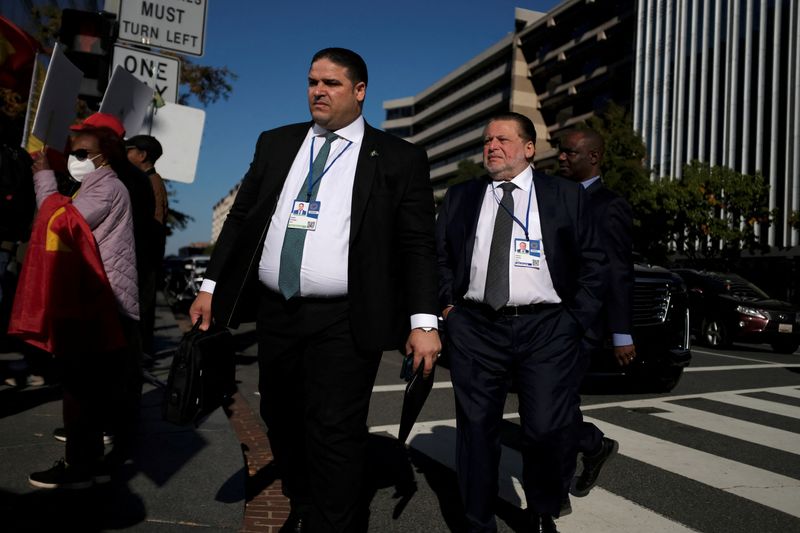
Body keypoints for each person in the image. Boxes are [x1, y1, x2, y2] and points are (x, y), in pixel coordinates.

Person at [190, 48, 440, 533]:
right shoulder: (277, 143)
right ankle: (303, 501)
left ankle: (333, 523)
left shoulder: (398, 157)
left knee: (335, 429)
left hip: (346, 318)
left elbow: (417, 244)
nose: (318, 91)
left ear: (360, 91)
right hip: (277, 311)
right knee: (279, 415)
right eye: (312, 82)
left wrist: (424, 321)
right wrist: (210, 286)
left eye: (331, 83)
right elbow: (240, 220)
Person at [436, 112, 607, 533]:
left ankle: (543, 510)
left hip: (548, 328)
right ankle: (477, 522)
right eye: (487, 140)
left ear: (529, 148)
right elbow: (438, 258)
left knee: (547, 429)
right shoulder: (461, 196)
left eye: (503, 140)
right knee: (476, 433)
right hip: (475, 326)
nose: (492, 147)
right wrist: (449, 311)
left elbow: (596, 262)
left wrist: (574, 320)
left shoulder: (565, 195)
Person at [17, 112, 140, 489]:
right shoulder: (98, 187)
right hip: (101, 300)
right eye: (74, 150)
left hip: (100, 302)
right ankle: (92, 464)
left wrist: (42, 175)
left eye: (83, 152)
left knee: (80, 390)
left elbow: (59, 223)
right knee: (90, 388)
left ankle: (79, 469)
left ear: (105, 154)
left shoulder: (105, 189)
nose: (75, 158)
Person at [558, 128, 632, 497]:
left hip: (581, 324)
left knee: (556, 404)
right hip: (543, 320)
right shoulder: (552, 195)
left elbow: (617, 270)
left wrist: (621, 332)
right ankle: (592, 444)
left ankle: (551, 496)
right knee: (543, 402)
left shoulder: (609, 205)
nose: (561, 158)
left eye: (569, 152)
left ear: (593, 157)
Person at [125, 134, 169, 358]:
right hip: (141, 255)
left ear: (142, 156)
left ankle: (143, 352)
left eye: (129, 150)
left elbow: (155, 223)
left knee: (143, 305)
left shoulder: (152, 183)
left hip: (145, 257)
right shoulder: (144, 180)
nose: (126, 155)